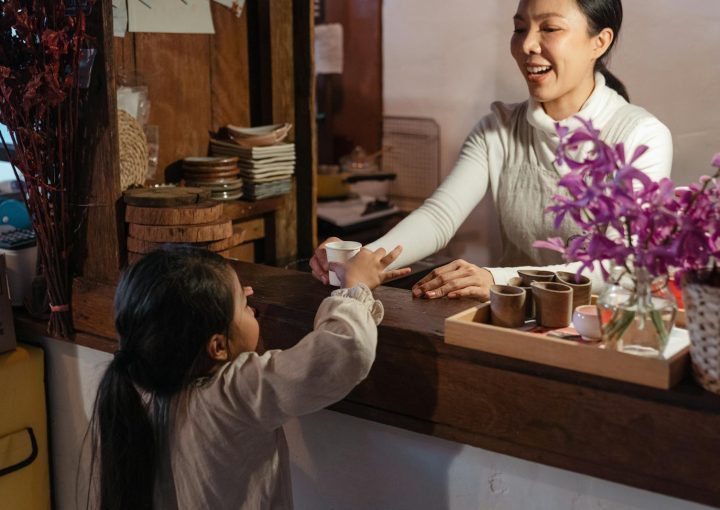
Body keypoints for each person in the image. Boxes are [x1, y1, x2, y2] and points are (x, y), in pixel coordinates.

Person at [310, 0, 672, 300]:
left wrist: (498, 279)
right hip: (514, 319)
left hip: (604, 327)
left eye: (549, 29)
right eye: (519, 28)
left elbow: (617, 265)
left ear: (600, 42)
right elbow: (439, 218)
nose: (528, 44)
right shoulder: (498, 128)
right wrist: (361, 261)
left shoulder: (641, 136)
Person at [87, 243, 403, 510]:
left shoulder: (140, 381)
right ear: (218, 346)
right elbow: (343, 351)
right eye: (243, 303)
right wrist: (354, 288)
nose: (251, 304)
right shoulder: (235, 390)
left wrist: (228, 306)